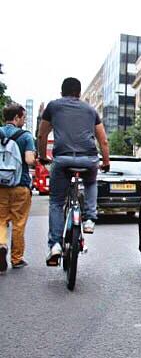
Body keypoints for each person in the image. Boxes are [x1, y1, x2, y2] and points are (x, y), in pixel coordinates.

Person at [37, 77, 110, 266]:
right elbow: (103, 140)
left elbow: (42, 134)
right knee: (91, 182)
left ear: (62, 92)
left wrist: (42, 156)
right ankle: (89, 220)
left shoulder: (53, 106)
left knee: (56, 202)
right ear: (79, 93)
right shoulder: (90, 110)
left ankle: (55, 245)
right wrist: (106, 162)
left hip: (62, 159)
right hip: (88, 159)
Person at [0, 104, 36, 273]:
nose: (23, 120)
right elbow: (29, 160)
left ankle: (1, 245)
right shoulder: (26, 136)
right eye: (22, 117)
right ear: (16, 118)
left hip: (0, 186)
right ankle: (16, 259)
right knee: (18, 223)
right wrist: (37, 160)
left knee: (0, 220)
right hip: (20, 185)